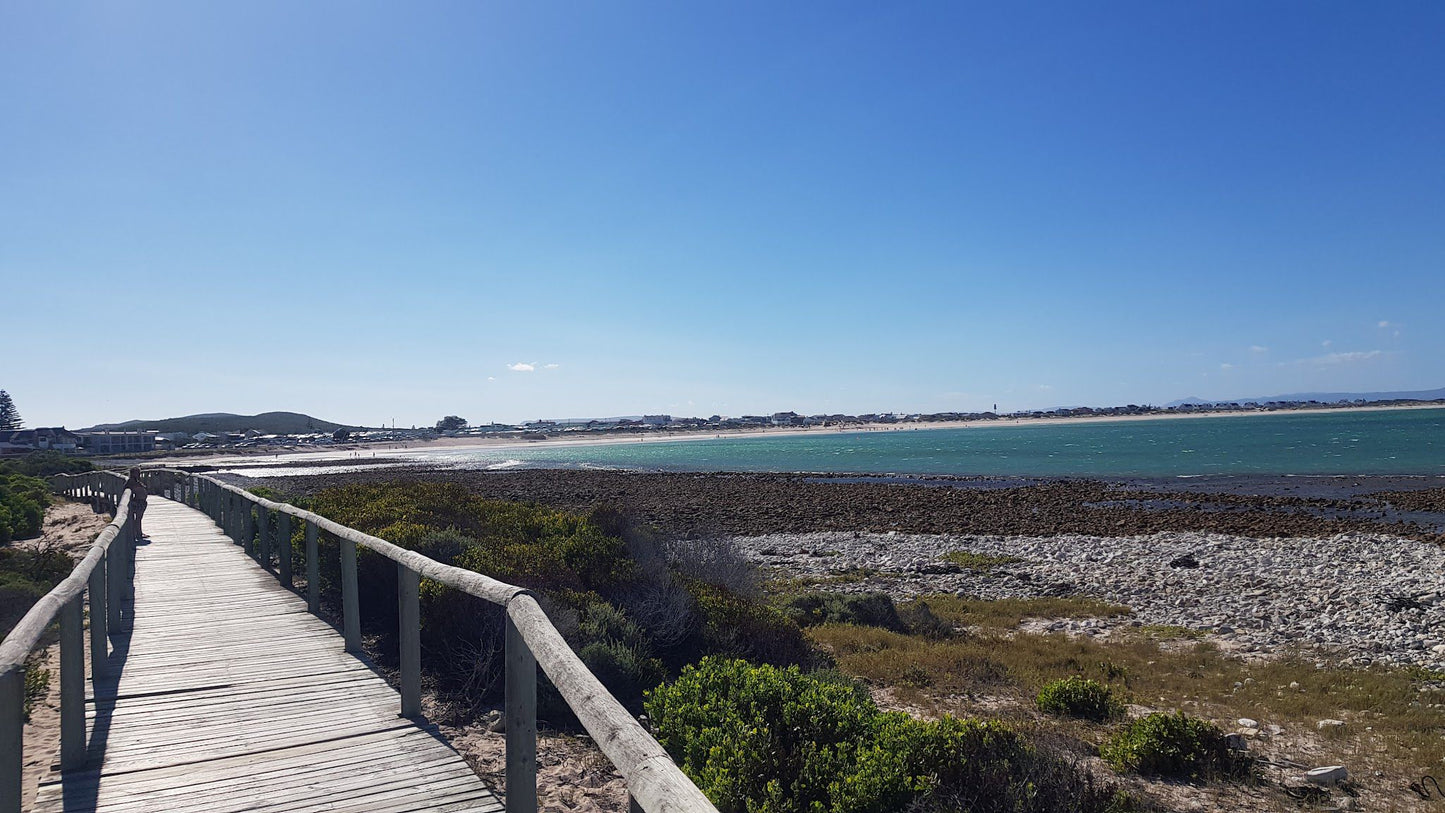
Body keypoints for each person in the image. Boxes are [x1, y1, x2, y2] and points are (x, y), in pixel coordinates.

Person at [125, 467, 149, 538]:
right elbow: (126, 489)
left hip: (142, 501)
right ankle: (138, 533)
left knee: (139, 518)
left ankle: (138, 532)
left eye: (138, 472)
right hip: (138, 502)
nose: (138, 473)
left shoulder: (136, 480)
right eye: (136, 472)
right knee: (138, 519)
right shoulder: (131, 481)